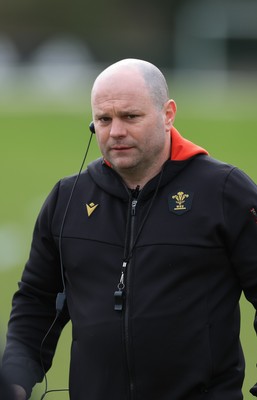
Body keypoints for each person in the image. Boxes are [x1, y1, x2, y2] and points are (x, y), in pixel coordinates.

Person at [2, 58, 257, 400]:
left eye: (130, 117)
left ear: (168, 114)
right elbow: (37, 302)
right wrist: (15, 380)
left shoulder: (225, 192)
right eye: (104, 119)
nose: (116, 131)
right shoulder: (67, 198)